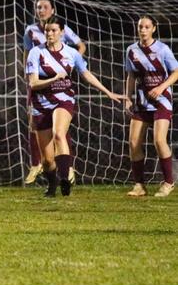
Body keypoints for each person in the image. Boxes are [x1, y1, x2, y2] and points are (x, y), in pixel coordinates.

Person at [26, 16, 123, 197]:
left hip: (64, 100)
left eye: (54, 30)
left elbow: (86, 74)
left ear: (62, 32)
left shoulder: (71, 53)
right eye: (47, 30)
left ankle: (65, 178)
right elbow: (33, 83)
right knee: (47, 161)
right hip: (41, 104)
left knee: (59, 133)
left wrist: (107, 92)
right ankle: (53, 182)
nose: (50, 34)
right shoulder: (35, 52)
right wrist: (54, 78)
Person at [22, 0, 86, 185]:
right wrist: (29, 74)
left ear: (53, 10)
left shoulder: (61, 29)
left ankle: (68, 168)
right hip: (39, 83)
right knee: (34, 123)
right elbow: (26, 55)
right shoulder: (31, 31)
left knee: (60, 127)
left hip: (59, 83)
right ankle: (38, 164)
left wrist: (70, 64)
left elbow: (81, 46)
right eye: (38, 7)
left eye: (45, 7)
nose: (41, 10)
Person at [124, 15, 178, 197]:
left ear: (153, 28)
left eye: (147, 27)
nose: (143, 30)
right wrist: (128, 98)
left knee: (159, 140)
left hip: (162, 101)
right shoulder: (131, 50)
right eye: (140, 27)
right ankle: (139, 185)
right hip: (141, 102)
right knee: (133, 142)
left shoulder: (163, 49)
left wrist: (161, 87)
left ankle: (169, 183)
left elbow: (176, 72)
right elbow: (131, 76)